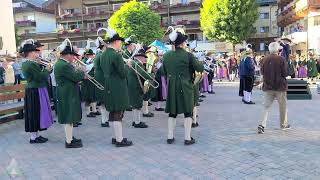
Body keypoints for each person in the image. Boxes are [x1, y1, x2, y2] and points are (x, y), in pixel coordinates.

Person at [163, 28, 204, 145]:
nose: (186, 43)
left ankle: (170, 137)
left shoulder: (166, 56)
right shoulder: (188, 55)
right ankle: (187, 138)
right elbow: (200, 68)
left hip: (171, 86)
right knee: (187, 112)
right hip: (185, 86)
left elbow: (164, 71)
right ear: (182, 43)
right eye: (185, 42)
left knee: (172, 112)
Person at [100, 29, 133, 147]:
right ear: (115, 42)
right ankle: (119, 140)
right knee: (118, 113)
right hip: (118, 87)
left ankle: (116, 137)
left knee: (113, 113)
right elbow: (123, 73)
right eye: (120, 42)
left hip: (108, 85)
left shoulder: (103, 55)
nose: (121, 44)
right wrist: (128, 66)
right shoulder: (116, 55)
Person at [20, 39, 53, 144]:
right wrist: (47, 69)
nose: (37, 53)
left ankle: (36, 135)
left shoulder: (30, 63)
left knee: (37, 112)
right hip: (35, 90)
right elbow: (40, 77)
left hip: (35, 89)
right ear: (29, 53)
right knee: (35, 113)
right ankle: (33, 137)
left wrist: (43, 66)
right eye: (35, 51)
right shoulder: (30, 64)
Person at [54, 39, 86, 148]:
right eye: (72, 55)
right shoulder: (64, 65)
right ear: (67, 55)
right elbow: (75, 77)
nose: (74, 57)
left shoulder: (62, 63)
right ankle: (69, 141)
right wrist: (82, 71)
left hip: (67, 92)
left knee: (70, 117)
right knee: (69, 117)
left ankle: (70, 137)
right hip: (67, 93)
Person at [258, 42, 291, 134]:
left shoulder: (264, 60)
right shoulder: (281, 59)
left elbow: (262, 72)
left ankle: (262, 125)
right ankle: (283, 125)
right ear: (278, 50)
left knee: (265, 106)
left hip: (268, 86)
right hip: (280, 87)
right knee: (282, 106)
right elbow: (285, 73)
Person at [127, 49, 149, 128]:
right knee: (137, 104)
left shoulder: (133, 63)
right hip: (136, 86)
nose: (145, 59)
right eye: (144, 57)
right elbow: (143, 74)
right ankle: (137, 122)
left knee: (135, 104)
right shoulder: (137, 64)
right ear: (139, 57)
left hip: (133, 86)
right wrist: (151, 76)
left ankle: (135, 120)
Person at [81, 49, 101, 117]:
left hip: (92, 81)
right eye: (88, 55)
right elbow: (83, 71)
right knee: (88, 97)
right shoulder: (83, 62)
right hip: (87, 82)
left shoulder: (92, 61)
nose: (89, 56)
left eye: (90, 55)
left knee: (94, 96)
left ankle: (94, 110)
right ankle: (88, 112)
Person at [94, 38, 109, 127]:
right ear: (103, 46)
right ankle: (104, 120)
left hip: (100, 79)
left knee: (104, 101)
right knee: (103, 101)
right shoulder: (101, 55)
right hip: (102, 79)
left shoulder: (99, 54)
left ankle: (105, 119)